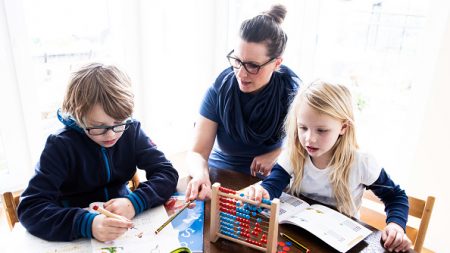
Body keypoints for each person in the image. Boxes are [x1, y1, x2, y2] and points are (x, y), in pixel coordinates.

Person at [17, 63, 179, 242]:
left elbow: (167, 173)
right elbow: (30, 208)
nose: (111, 134)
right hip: (75, 231)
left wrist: (134, 202)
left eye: (118, 122)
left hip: (124, 226)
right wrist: (87, 224)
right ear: (78, 116)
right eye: (98, 127)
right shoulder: (60, 146)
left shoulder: (131, 130)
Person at [246, 81, 412, 252]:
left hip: (343, 243)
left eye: (321, 130)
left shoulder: (361, 163)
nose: (309, 139)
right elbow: (274, 183)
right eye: (303, 128)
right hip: (297, 236)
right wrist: (263, 192)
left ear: (343, 127)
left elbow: (396, 197)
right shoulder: (294, 154)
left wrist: (396, 225)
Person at [186, 4, 301, 202]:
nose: (240, 73)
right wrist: (200, 174)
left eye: (253, 66)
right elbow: (197, 152)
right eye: (237, 60)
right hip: (221, 176)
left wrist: (278, 153)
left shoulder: (292, 93)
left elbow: (307, 145)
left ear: (277, 63)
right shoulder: (219, 90)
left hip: (270, 183)